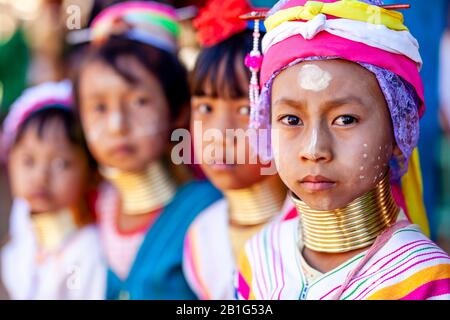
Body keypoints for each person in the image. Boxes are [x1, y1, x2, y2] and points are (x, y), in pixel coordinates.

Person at [236, 0, 450, 300]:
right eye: (291, 120)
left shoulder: (427, 281)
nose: (314, 149)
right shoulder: (260, 257)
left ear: (399, 133)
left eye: (345, 120)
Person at [75, 1, 221, 299]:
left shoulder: (208, 212)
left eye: (139, 102)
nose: (117, 125)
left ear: (179, 110)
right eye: (99, 107)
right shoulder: (92, 208)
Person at [182, 0, 294, 300]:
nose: (219, 134)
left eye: (246, 108)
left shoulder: (314, 232)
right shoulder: (201, 237)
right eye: (205, 107)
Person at [1, 80, 105, 299]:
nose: (41, 177)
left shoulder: (86, 251)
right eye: (28, 161)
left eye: (61, 164)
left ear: (92, 173)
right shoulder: (24, 223)